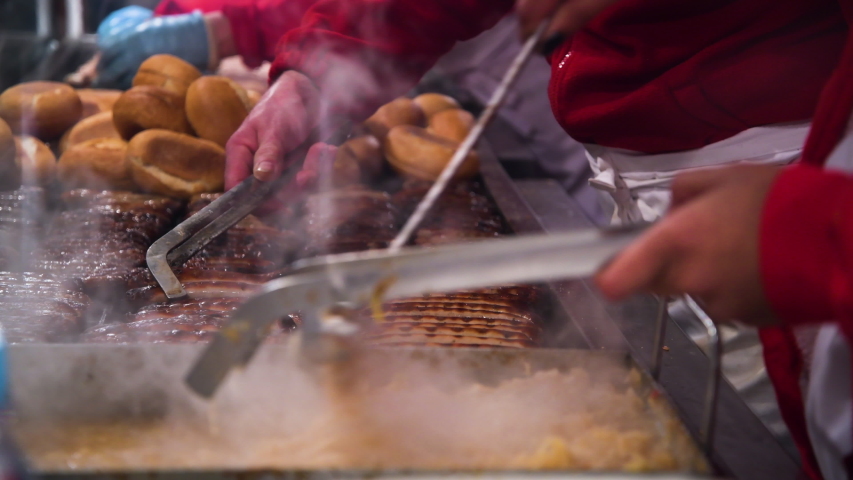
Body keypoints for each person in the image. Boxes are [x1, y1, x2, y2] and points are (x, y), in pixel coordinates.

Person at [220, 0, 846, 446]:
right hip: (671, 192)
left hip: (785, 179)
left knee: (764, 443)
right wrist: (319, 71)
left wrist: (810, 231)